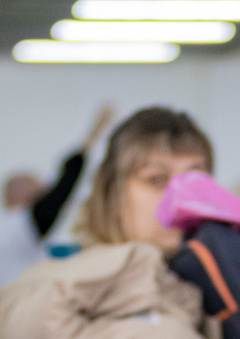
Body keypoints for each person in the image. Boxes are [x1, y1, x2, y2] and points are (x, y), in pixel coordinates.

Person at [0, 103, 114, 339]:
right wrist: (94, 133)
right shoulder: (21, 227)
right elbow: (64, 185)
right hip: (15, 326)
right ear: (29, 198)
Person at [77, 107, 215, 251]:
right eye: (157, 180)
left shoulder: (226, 266)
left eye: (195, 181)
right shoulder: (80, 272)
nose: (182, 198)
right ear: (113, 195)